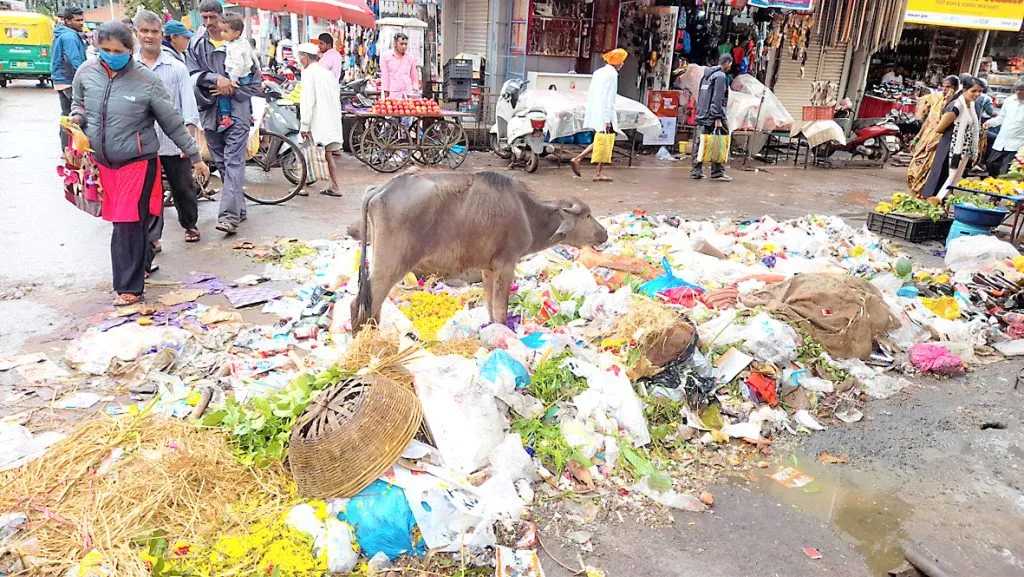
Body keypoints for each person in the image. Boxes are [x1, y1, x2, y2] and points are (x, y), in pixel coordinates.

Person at [69, 21, 208, 307]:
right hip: (103, 162)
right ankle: (142, 262)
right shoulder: (86, 73)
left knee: (126, 223)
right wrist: (76, 120)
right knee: (133, 222)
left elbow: (172, 122)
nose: (111, 55)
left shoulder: (146, 81)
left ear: (129, 49)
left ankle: (128, 287)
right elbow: (79, 103)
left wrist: (195, 157)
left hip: (138, 162)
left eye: (117, 50)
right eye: (105, 50)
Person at [186, 0, 260, 235]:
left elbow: (256, 84)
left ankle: (228, 216)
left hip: (237, 114)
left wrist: (233, 88)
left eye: (212, 18)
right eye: (204, 18)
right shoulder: (196, 45)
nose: (208, 23)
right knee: (222, 165)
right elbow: (190, 76)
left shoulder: (243, 46)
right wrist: (213, 79)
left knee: (234, 162)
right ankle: (239, 208)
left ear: (222, 17)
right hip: (209, 113)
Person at [134, 10, 202, 249]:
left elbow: (189, 106)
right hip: (143, 143)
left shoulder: (175, 67)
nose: (149, 36)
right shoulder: (130, 67)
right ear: (136, 33)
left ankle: (190, 223)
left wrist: (189, 141)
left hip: (174, 141)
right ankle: (154, 236)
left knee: (182, 186)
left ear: (161, 34)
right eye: (144, 31)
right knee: (151, 193)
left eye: (154, 31)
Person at [570, 48, 627, 182]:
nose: (623, 64)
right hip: (604, 113)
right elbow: (609, 99)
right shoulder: (612, 75)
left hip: (595, 110)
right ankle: (582, 161)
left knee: (601, 140)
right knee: (604, 141)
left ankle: (592, 168)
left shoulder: (599, 72)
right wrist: (607, 119)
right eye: (622, 61)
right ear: (616, 62)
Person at [295, 42, 345, 197]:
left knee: (301, 152)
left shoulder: (309, 73)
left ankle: (300, 186)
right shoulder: (326, 73)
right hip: (330, 121)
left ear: (304, 58)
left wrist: (304, 124)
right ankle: (335, 186)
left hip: (316, 121)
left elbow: (308, 100)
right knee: (328, 154)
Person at [922, 76, 984, 200]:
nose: (977, 94)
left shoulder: (970, 106)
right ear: (964, 90)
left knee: (949, 181)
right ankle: (930, 205)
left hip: (959, 150)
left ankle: (939, 208)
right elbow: (939, 128)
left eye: (980, 91)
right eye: (973, 91)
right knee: (940, 179)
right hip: (948, 149)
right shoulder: (956, 106)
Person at [906, 76, 959, 195]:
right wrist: (917, 138)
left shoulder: (955, 104)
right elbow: (929, 120)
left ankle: (922, 196)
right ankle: (915, 193)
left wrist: (948, 102)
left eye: (948, 87)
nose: (944, 90)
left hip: (938, 141)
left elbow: (947, 127)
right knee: (915, 165)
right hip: (926, 137)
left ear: (955, 88)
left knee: (929, 171)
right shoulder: (937, 99)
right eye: (943, 87)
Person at [691, 54, 733, 182]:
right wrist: (718, 118)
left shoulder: (706, 75)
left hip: (702, 114)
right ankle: (717, 171)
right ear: (727, 63)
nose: (730, 67)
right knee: (720, 141)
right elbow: (717, 99)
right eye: (730, 64)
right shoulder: (720, 76)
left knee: (699, 142)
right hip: (712, 115)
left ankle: (696, 171)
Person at [215, 13, 259, 133]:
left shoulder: (235, 47)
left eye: (225, 31)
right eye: (221, 30)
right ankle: (249, 114)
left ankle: (226, 117)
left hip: (237, 75)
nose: (222, 34)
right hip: (247, 74)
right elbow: (253, 56)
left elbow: (238, 64)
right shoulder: (243, 42)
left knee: (223, 93)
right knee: (247, 96)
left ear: (237, 32)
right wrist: (258, 68)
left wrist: (233, 79)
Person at [50, 6, 86, 150]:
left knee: (66, 115)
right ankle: (76, 149)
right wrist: (87, 78)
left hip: (61, 81)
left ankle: (66, 149)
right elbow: (76, 61)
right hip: (69, 81)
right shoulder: (70, 36)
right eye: (77, 20)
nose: (81, 23)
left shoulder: (62, 34)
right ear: (67, 21)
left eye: (82, 20)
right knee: (79, 114)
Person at [985, 78, 1024, 178]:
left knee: (1005, 171)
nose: (1019, 92)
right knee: (990, 163)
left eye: (1022, 89)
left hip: (1017, 144)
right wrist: (990, 123)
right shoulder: (1009, 100)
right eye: (1017, 89)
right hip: (1001, 141)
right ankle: (995, 186)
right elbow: (1001, 117)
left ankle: (1001, 190)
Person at [380, 33, 419, 99]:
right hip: (393, 94)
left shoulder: (410, 58)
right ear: (395, 43)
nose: (404, 46)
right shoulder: (386, 57)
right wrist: (386, 95)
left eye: (406, 44)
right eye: (401, 44)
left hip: (408, 93)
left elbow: (414, 76)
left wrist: (415, 90)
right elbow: (385, 77)